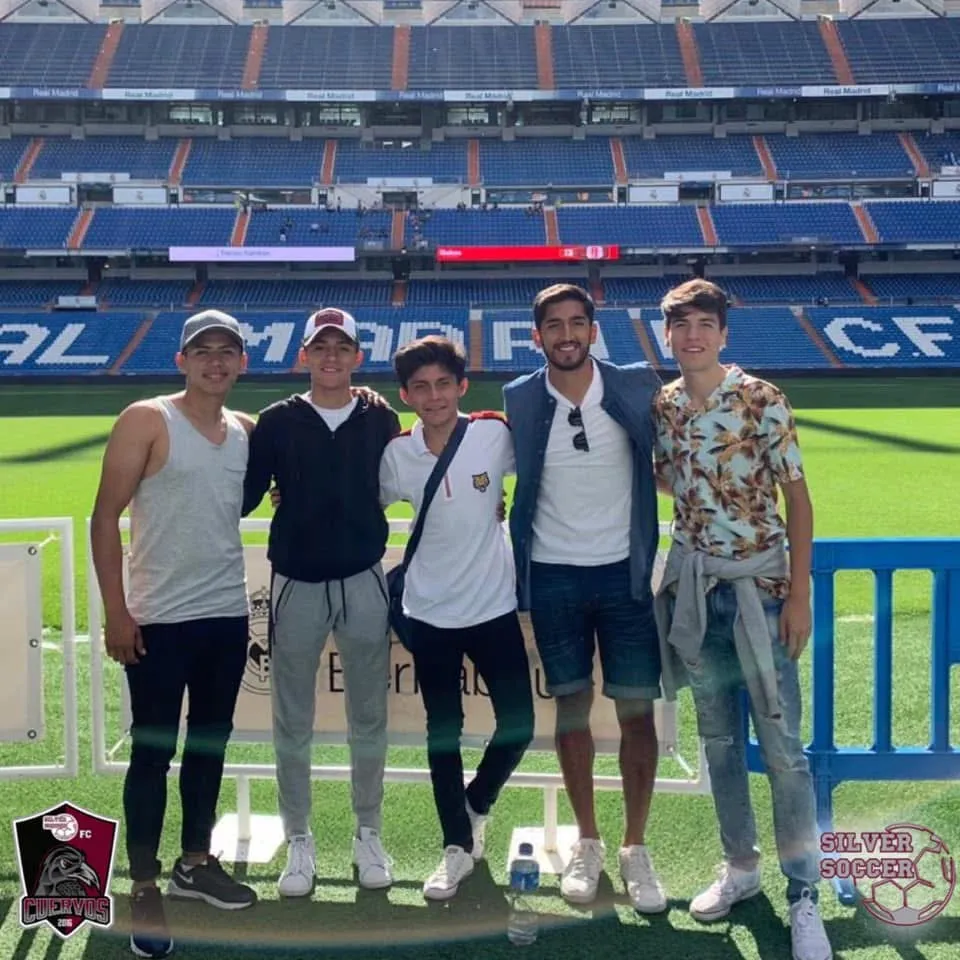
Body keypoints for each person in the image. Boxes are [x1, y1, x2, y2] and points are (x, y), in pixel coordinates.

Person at [651, 279, 832, 960]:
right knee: (720, 742)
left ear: (723, 333)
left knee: (783, 749)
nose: (693, 335)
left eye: (705, 323)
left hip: (761, 593)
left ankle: (804, 893)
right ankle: (741, 866)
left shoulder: (761, 398)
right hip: (699, 594)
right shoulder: (666, 404)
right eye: (681, 325)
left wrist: (798, 594)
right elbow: (670, 476)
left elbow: (798, 500)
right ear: (667, 335)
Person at [90, 310, 258, 960]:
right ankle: (143, 884)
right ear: (182, 360)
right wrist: (117, 611)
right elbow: (104, 516)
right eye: (203, 350)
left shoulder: (246, 430)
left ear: (242, 362)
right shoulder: (147, 419)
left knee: (209, 747)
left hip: (225, 615)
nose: (216, 361)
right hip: (158, 618)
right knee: (152, 754)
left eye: (227, 351)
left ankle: (195, 862)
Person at [503, 283, 666, 912]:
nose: (566, 334)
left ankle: (635, 846)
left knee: (636, 715)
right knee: (571, 710)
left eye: (577, 323)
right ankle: (588, 841)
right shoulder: (520, 397)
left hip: (625, 575)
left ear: (594, 331)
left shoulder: (636, 385)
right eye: (554, 325)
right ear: (537, 335)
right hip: (553, 577)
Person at [242, 307, 401, 898]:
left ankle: (368, 832)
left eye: (342, 347)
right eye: (320, 347)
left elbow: (404, 478)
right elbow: (245, 494)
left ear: (358, 356)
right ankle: (299, 838)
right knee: (292, 719)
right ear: (303, 354)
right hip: (297, 582)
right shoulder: (275, 420)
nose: (331, 356)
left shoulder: (380, 416)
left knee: (369, 716)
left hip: (363, 578)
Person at [379, 335, 535, 901]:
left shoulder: (493, 433)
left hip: (493, 606)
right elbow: (357, 502)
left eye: (444, 383)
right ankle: (455, 846)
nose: (434, 396)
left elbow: (546, 468)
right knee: (442, 731)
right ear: (405, 395)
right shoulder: (397, 454)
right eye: (420, 387)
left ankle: (475, 803)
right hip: (429, 611)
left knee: (519, 724)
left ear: (463, 386)